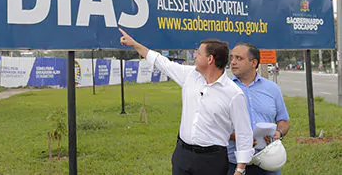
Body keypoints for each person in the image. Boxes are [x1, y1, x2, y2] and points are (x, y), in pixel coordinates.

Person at [119, 28, 254, 175]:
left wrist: (240, 169)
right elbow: (161, 62)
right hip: (183, 155)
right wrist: (134, 44)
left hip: (212, 161)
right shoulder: (190, 75)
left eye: (199, 53)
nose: (195, 56)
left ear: (210, 59)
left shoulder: (234, 94)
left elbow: (244, 133)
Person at [227, 43, 290, 175]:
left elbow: (283, 120)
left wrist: (278, 133)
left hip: (268, 160)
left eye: (239, 58)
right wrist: (235, 136)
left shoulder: (272, 89)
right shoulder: (224, 89)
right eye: (232, 58)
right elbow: (214, 125)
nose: (233, 62)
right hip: (233, 163)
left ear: (253, 62)